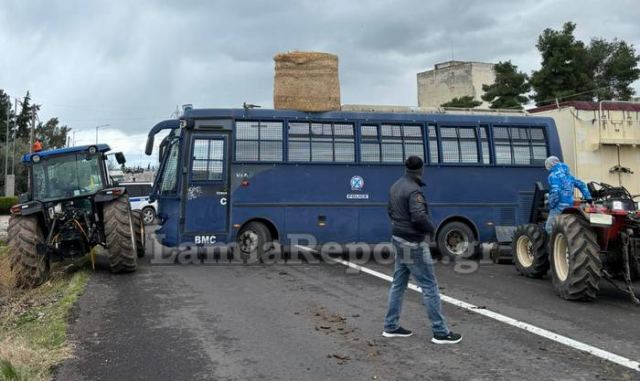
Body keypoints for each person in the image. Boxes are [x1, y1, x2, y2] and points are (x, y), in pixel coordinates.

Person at [383, 155, 462, 345]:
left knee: (399, 283)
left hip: (398, 238)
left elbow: (389, 211)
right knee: (429, 286)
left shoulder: (395, 185)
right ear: (422, 169)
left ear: (405, 168)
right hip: (413, 243)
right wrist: (432, 229)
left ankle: (391, 326)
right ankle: (440, 332)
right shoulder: (414, 190)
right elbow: (418, 215)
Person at [544, 156, 592, 234]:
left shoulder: (553, 175)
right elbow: (581, 184)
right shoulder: (569, 175)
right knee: (565, 226)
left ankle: (552, 245)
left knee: (549, 228)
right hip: (570, 204)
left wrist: (550, 204)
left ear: (549, 165)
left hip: (559, 205)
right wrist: (588, 197)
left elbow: (556, 191)